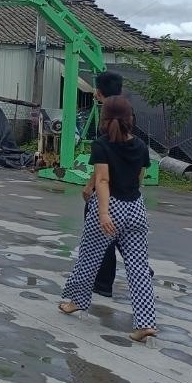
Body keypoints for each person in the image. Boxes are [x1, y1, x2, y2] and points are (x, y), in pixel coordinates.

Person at [59, 96, 157, 342]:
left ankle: (76, 301)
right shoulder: (140, 146)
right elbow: (139, 178)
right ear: (130, 119)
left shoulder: (102, 145)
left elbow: (102, 180)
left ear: (104, 118)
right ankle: (145, 323)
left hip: (109, 206)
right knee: (138, 267)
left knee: (89, 258)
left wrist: (104, 213)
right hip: (135, 207)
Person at [82, 70, 125, 297]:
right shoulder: (127, 113)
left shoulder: (107, 117)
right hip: (127, 188)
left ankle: (102, 283)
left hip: (108, 187)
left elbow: (104, 163)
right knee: (122, 232)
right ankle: (140, 268)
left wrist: (91, 186)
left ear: (98, 92)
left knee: (101, 233)